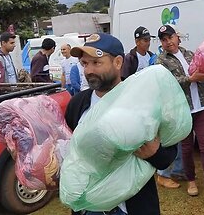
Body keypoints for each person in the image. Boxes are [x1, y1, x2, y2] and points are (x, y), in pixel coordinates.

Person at [65, 33, 177, 215]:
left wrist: (154, 153)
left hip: (131, 208)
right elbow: (71, 152)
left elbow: (169, 156)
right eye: (85, 64)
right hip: (88, 207)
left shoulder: (144, 101)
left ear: (118, 63)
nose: (88, 70)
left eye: (96, 62)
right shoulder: (77, 104)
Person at [155, 24, 204, 204]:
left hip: (200, 107)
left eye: (170, 37)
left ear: (177, 37)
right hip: (183, 110)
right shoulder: (161, 61)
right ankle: (191, 181)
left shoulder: (190, 54)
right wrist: (190, 79)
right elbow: (166, 84)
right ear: (162, 43)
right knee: (187, 149)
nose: (168, 42)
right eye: (164, 40)